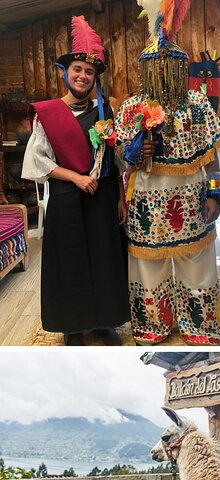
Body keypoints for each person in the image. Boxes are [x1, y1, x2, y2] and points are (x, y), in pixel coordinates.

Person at [115, 2, 220, 345]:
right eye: (157, 64)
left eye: (172, 64)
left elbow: (211, 157)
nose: (164, 70)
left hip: (191, 200)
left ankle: (199, 325)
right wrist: (134, 151)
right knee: (147, 267)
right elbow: (117, 157)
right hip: (146, 203)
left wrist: (214, 193)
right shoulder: (132, 107)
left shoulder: (197, 104)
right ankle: (153, 324)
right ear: (147, 68)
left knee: (197, 261)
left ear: (182, 67)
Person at [21, 16, 129, 346]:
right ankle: (73, 325)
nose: (82, 76)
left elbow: (115, 158)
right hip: (69, 196)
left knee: (105, 258)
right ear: (66, 73)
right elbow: (38, 161)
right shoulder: (49, 114)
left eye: (89, 72)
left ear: (95, 78)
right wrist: (76, 178)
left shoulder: (106, 112)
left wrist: (122, 197)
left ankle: (105, 322)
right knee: (70, 259)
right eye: (77, 70)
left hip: (105, 195)